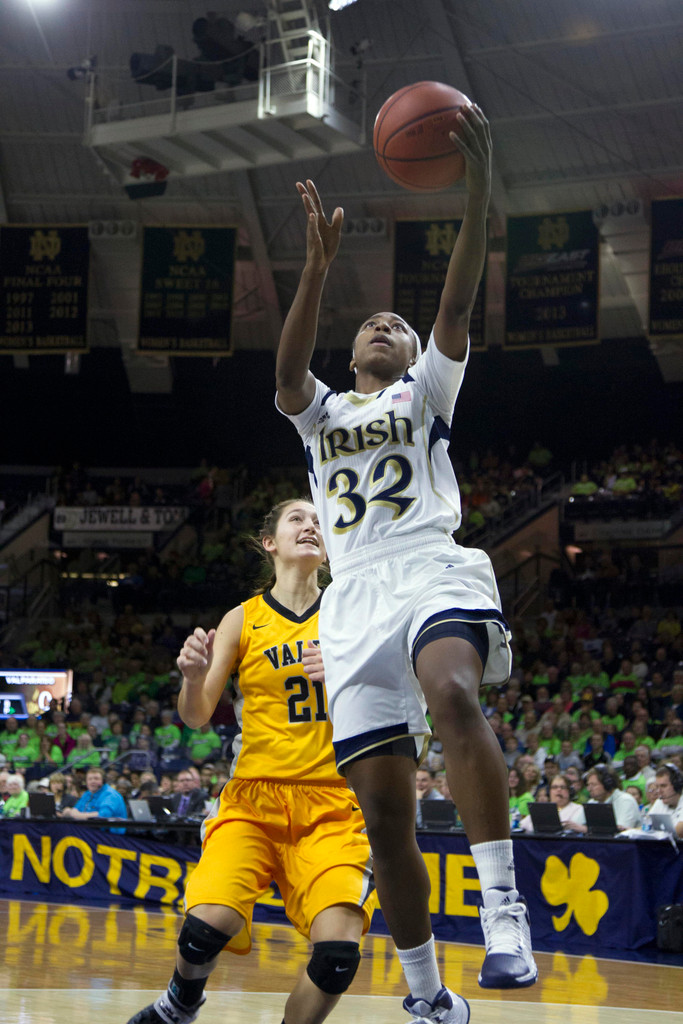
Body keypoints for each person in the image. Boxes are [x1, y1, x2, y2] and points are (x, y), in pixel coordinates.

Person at [275, 100, 537, 1022]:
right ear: (352, 352)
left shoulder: (427, 389)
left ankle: (503, 914)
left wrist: (477, 193)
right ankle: (428, 995)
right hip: (353, 601)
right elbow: (285, 375)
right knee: (385, 819)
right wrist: (314, 271)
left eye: (397, 323)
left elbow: (456, 302)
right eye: (371, 324)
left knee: (453, 692)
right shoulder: (321, 414)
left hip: (428, 564)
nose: (384, 324)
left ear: (417, 353)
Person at [127, 498, 376, 1024]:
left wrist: (349, 675)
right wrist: (194, 678)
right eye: (297, 519)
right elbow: (196, 715)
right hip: (254, 798)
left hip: (332, 804)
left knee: (337, 955)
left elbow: (392, 702)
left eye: (319, 521)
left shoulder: (353, 613)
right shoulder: (242, 618)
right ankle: (179, 1003)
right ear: (270, 542)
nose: (310, 526)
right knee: (203, 929)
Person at [519, 774, 586, 833]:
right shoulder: (542, 809)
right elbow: (523, 824)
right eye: (554, 787)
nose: (559, 790)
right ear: (549, 792)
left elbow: (569, 828)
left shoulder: (579, 809)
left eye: (563, 787)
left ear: (570, 791)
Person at [58, 765, 128, 821]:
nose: (92, 781)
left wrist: (77, 815)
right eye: (90, 779)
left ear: (103, 781)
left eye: (96, 778)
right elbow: (76, 809)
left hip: (107, 833)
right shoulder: (87, 794)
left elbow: (103, 816)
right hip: (89, 829)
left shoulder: (111, 795)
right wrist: (71, 812)